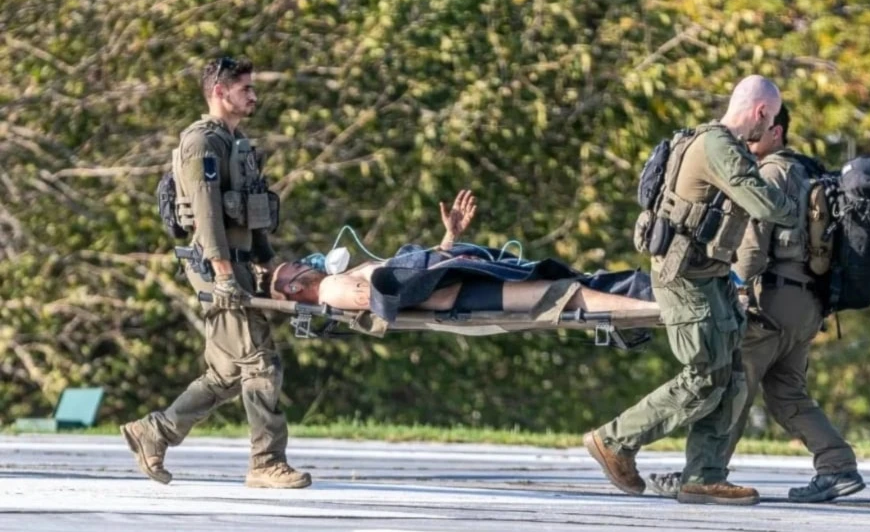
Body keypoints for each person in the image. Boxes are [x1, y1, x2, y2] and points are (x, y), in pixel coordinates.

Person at [583, 75, 799, 505]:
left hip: (709, 275)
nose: (769, 130)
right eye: (770, 119)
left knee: (730, 370)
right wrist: (793, 204)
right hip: (685, 279)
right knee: (703, 375)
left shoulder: (708, 141)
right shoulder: (718, 147)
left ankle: (703, 475)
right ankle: (615, 440)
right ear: (760, 112)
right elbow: (766, 205)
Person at [648, 105, 865, 503]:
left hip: (773, 301)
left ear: (776, 133)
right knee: (787, 394)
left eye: (759, 132)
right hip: (808, 305)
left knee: (732, 382)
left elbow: (750, 249)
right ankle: (838, 467)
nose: (749, 139)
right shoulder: (808, 170)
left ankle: (702, 474)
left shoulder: (771, 173)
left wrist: (732, 287)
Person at [121, 57, 310, 489]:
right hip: (215, 266)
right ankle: (266, 462)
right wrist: (224, 274)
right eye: (246, 89)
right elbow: (206, 216)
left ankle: (154, 431)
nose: (254, 96)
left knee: (226, 373)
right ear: (220, 92)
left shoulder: (237, 143)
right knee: (261, 363)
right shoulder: (202, 143)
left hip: (238, 264)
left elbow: (253, 212)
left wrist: (266, 264)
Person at [268, 189, 661, 316]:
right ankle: (658, 308)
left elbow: (408, 278)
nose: (305, 262)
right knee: (565, 295)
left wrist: (447, 241)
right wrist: (440, 275)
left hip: (454, 279)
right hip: (462, 294)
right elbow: (386, 298)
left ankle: (656, 294)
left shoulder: (337, 279)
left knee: (569, 284)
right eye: (295, 268)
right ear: (291, 288)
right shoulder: (331, 288)